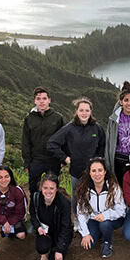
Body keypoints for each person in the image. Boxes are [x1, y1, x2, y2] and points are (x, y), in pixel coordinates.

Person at [47, 97, 105, 230]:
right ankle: (78, 220)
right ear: (76, 112)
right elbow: (52, 144)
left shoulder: (97, 128)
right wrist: (65, 158)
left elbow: (102, 146)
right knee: (76, 196)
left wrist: (98, 162)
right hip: (76, 170)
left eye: (87, 110)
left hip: (93, 171)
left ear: (91, 112)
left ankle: (93, 219)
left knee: (94, 195)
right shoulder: (69, 129)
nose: (84, 113)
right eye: (81, 110)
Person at [76, 157, 126, 258]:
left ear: (105, 172)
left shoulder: (113, 187)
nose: (97, 174)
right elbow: (80, 212)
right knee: (90, 244)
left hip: (113, 219)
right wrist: (85, 234)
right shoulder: (84, 189)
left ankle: (107, 243)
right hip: (94, 218)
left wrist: (105, 215)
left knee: (105, 225)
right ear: (89, 173)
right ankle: (99, 233)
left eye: (100, 170)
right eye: (93, 171)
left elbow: (122, 210)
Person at [22, 86, 65, 198]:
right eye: (39, 98)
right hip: (36, 160)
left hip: (53, 159)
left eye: (44, 98)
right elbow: (25, 141)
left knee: (52, 187)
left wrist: (62, 159)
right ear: (35, 100)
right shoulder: (29, 119)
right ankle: (34, 211)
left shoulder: (57, 118)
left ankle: (52, 212)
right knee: (33, 188)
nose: (41, 101)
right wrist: (27, 162)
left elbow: (63, 140)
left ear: (49, 100)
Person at [30, 173, 73, 260]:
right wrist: (38, 227)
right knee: (42, 248)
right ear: (41, 187)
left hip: (59, 233)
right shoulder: (35, 198)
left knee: (56, 259)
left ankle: (58, 249)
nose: (48, 191)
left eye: (52, 188)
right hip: (45, 232)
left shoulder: (64, 204)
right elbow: (33, 215)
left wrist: (59, 250)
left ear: (56, 189)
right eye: (45, 188)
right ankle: (45, 254)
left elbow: (66, 227)